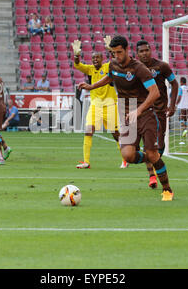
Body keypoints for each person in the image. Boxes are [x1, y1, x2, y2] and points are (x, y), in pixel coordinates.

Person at [78, 35, 174, 201]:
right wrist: (91, 86)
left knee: (152, 153)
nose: (117, 56)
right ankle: (151, 157)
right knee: (128, 155)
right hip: (126, 114)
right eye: (114, 53)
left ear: (127, 50)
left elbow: (155, 92)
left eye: (120, 52)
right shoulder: (114, 64)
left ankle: (167, 190)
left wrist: (139, 110)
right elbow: (110, 77)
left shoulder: (139, 68)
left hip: (145, 114)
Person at [72, 38, 126, 169]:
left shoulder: (108, 66)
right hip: (95, 105)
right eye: (93, 58)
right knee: (88, 130)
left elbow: (116, 60)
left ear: (102, 59)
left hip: (110, 105)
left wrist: (110, 50)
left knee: (115, 134)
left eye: (98, 58)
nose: (95, 60)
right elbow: (78, 65)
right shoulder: (90, 69)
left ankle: (125, 159)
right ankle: (86, 161)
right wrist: (77, 55)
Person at [136, 40, 179, 189]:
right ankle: (152, 176)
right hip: (145, 112)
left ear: (150, 51)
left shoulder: (161, 66)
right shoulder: (135, 69)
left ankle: (155, 168)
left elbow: (174, 83)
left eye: (146, 50)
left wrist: (172, 105)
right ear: (137, 54)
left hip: (160, 112)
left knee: (160, 146)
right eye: (141, 51)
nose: (144, 53)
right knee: (149, 146)